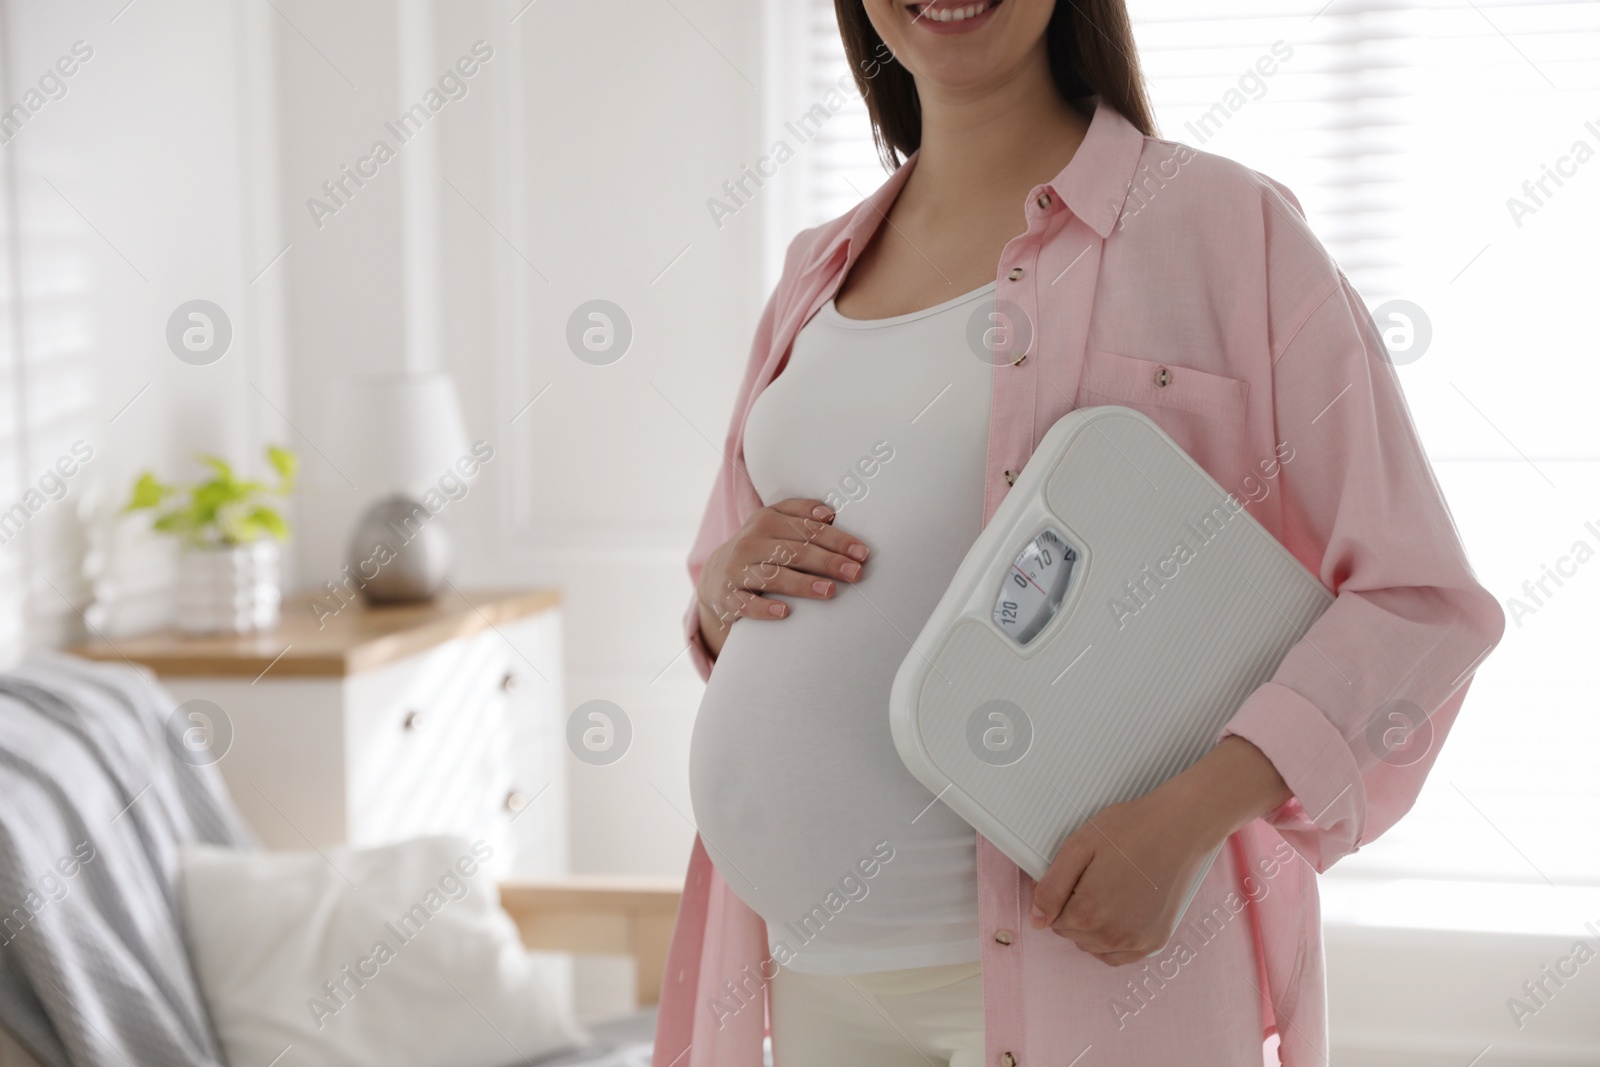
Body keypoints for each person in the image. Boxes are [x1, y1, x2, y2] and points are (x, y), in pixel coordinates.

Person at [654, 2, 1506, 1064]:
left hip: (1070, 971)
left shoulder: (1225, 229)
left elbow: (1419, 604)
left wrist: (1191, 816)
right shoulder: (813, 271)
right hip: (806, 970)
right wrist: (723, 587)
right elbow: (724, 595)